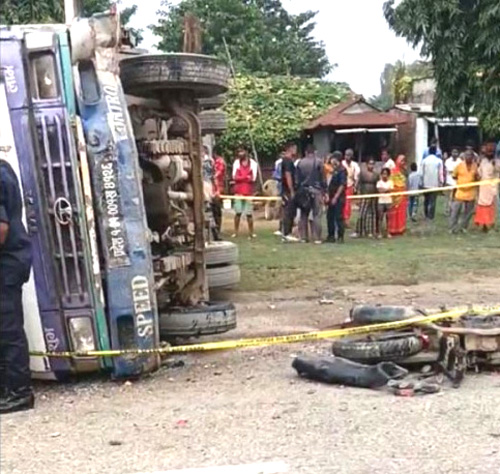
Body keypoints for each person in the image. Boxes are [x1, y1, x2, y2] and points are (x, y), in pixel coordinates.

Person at [0, 159, 34, 414]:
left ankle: (19, 392)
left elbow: (1, 229)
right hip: (13, 260)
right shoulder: (4, 168)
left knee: (8, 329)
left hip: (6, 263)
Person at [295, 144, 325, 243]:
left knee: (304, 215)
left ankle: (303, 237)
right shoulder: (319, 162)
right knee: (317, 215)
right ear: (314, 152)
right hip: (316, 191)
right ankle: (317, 238)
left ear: (306, 152)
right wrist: (325, 191)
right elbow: (322, 179)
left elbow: (297, 179)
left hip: (303, 191)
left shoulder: (300, 163)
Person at [232, 148, 258, 238]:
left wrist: (241, 177)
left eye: (242, 151)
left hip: (248, 192)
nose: (240, 153)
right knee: (238, 213)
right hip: (238, 191)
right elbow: (234, 177)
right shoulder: (236, 163)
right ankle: (236, 232)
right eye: (239, 151)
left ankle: (251, 233)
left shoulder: (253, 164)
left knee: (249, 214)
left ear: (246, 152)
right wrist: (245, 177)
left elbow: (253, 178)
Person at [449, 150, 478, 234]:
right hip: (460, 192)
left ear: (473, 157)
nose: (468, 157)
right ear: (464, 156)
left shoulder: (475, 166)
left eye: (470, 156)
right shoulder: (459, 165)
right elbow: (454, 176)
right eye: (467, 155)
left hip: (471, 193)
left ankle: (463, 228)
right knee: (455, 211)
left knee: (468, 212)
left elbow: (477, 178)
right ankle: (452, 228)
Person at [474, 142, 500, 232]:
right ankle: (483, 224)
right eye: (487, 153)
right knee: (482, 206)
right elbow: (479, 173)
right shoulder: (483, 161)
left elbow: (498, 172)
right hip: (483, 187)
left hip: (492, 188)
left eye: (491, 153)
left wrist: (495, 165)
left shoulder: (497, 162)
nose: (489, 155)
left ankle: (491, 224)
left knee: (491, 206)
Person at [353, 158, 379, 238]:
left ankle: (372, 231)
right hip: (364, 195)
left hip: (374, 196)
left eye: (372, 164)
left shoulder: (376, 174)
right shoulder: (362, 173)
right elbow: (358, 182)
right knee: (362, 214)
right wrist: (356, 190)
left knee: (373, 214)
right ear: (366, 164)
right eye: (369, 164)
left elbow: (378, 184)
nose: (371, 165)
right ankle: (359, 231)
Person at [281, 143, 300, 243]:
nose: (296, 151)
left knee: (291, 211)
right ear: (290, 149)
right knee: (289, 211)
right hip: (288, 190)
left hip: (287, 189)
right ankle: (286, 233)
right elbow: (288, 175)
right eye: (294, 149)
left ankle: (287, 232)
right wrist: (291, 190)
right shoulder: (287, 161)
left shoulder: (286, 161)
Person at [326, 152, 346, 243]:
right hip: (331, 196)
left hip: (338, 198)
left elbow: (342, 185)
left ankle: (340, 236)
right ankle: (331, 236)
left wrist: (335, 197)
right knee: (330, 216)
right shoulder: (334, 170)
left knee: (339, 217)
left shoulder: (342, 170)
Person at [420, 145, 444, 220]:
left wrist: (421, 182)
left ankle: (426, 214)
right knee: (433, 200)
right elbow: (440, 173)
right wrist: (441, 182)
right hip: (435, 184)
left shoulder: (424, 161)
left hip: (425, 183)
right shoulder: (439, 161)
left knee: (426, 200)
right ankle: (431, 216)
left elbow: (421, 173)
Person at [388, 155, 408, 236]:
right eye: (401, 161)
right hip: (395, 195)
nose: (403, 163)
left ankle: (401, 229)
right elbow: (391, 183)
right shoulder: (393, 171)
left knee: (401, 213)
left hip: (403, 195)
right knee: (394, 212)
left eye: (404, 161)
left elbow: (404, 182)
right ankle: (393, 229)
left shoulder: (404, 171)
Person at [342, 149, 360, 226]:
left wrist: (355, 187)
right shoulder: (342, 163)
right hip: (341, 186)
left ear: (352, 156)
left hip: (349, 186)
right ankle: (342, 219)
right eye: (346, 155)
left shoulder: (355, 165)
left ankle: (346, 219)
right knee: (342, 204)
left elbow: (357, 177)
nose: (347, 157)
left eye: (349, 155)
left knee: (348, 204)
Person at [212, 148, 226, 236]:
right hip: (213, 188)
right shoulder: (214, 161)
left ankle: (218, 228)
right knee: (213, 210)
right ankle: (215, 229)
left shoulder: (220, 161)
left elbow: (217, 174)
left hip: (217, 189)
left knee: (217, 210)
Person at [376, 168, 394, 239]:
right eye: (383, 174)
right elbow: (380, 190)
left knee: (388, 218)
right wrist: (386, 190)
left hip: (388, 201)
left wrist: (385, 190)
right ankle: (380, 233)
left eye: (386, 174)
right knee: (380, 217)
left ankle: (388, 232)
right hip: (381, 201)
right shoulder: (379, 182)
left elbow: (391, 190)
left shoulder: (391, 182)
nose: (384, 175)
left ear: (388, 175)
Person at [444, 148, 462, 216]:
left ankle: (454, 210)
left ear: (458, 153)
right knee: (448, 198)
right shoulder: (448, 161)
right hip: (449, 182)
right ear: (451, 153)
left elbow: (459, 172)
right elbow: (448, 170)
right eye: (453, 152)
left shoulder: (460, 161)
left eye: (456, 152)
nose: (454, 154)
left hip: (457, 183)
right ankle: (447, 210)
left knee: (455, 198)